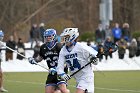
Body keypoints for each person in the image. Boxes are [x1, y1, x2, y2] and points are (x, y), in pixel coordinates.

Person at [56, 28, 98, 93]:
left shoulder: (81, 47)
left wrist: (94, 60)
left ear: (72, 37)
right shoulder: (63, 50)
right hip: (77, 78)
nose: (65, 39)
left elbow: (95, 58)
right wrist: (63, 75)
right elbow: (59, 67)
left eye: (67, 37)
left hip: (86, 76)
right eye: (64, 37)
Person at [28, 29, 69, 93]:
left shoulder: (59, 46)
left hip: (61, 72)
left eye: (49, 36)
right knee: (48, 91)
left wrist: (57, 69)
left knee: (63, 89)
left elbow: (66, 61)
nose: (47, 38)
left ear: (54, 36)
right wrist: (34, 60)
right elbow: (41, 57)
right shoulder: (43, 47)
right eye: (46, 36)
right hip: (51, 72)